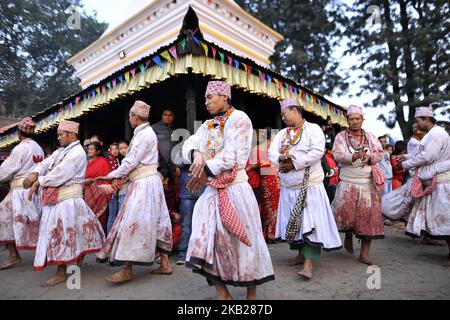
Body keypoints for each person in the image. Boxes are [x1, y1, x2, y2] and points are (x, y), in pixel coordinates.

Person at [182, 81, 274, 300]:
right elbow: (190, 143)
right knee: (206, 238)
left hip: (236, 189)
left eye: (210, 98)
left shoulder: (240, 119)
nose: (206, 102)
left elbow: (232, 155)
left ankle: (252, 293)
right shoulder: (208, 125)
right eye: (204, 99)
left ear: (224, 97)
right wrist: (196, 153)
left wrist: (204, 166)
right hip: (213, 190)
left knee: (246, 239)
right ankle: (222, 293)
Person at [95, 101, 173, 284]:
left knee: (131, 222)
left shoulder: (143, 135)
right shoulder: (146, 133)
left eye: (130, 116)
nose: (129, 119)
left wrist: (109, 176)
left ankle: (127, 269)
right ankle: (165, 263)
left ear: (136, 117)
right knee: (158, 220)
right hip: (149, 181)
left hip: (144, 184)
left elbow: (129, 162)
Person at [24, 120, 105, 286]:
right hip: (60, 200)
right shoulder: (61, 151)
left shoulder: (77, 153)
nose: (59, 138)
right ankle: (68, 267)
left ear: (72, 135)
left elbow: (61, 174)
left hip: (70, 200)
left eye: (61, 135)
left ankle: (63, 271)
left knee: (62, 234)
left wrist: (39, 181)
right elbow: (46, 163)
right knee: (67, 234)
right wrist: (35, 173)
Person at [269, 99, 342, 280]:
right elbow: (271, 153)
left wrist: (294, 163)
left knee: (311, 224)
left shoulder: (313, 129)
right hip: (289, 187)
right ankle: (300, 255)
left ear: (295, 110)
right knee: (296, 223)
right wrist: (281, 156)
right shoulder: (282, 134)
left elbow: (317, 152)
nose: (283, 118)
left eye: (284, 114)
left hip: (309, 186)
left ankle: (308, 264)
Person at [394, 106, 450, 265]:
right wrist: (405, 156)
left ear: (426, 119)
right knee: (440, 219)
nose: (416, 124)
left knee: (444, 220)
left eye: (418, 120)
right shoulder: (432, 135)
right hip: (436, 180)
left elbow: (426, 157)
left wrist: (404, 164)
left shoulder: (437, 135)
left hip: (442, 182)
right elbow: (422, 153)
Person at [331, 105, 385, 266]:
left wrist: (369, 157)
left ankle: (364, 254)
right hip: (348, 183)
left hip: (368, 184)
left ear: (362, 120)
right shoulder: (341, 136)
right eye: (351, 119)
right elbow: (337, 154)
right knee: (346, 216)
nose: (354, 122)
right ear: (347, 120)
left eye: (357, 119)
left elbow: (380, 153)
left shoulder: (370, 137)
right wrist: (354, 155)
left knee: (369, 219)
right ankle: (348, 233)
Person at [0, 118, 44, 269]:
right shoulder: (39, 148)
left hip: (20, 191)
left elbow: (7, 169)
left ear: (19, 133)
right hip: (36, 190)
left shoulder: (20, 148)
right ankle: (42, 255)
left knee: (4, 218)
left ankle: (13, 255)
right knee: (36, 221)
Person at [257, 128, 281, 243]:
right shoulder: (259, 149)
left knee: (272, 208)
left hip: (271, 181)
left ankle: (272, 233)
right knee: (270, 208)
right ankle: (270, 234)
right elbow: (262, 169)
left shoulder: (260, 149)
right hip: (269, 182)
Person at [84, 142, 112, 234]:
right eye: (89, 149)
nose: (89, 151)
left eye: (92, 149)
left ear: (98, 151)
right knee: (89, 216)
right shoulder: (87, 162)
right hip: (88, 193)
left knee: (101, 218)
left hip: (100, 194)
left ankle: (101, 239)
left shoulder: (102, 161)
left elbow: (107, 177)